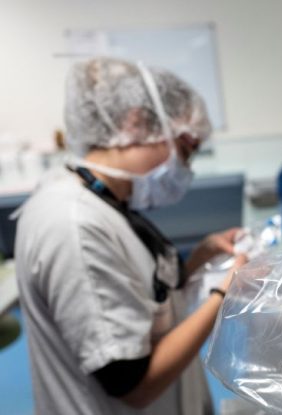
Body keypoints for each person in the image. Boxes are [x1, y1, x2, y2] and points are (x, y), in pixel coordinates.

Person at [15, 57, 244, 415]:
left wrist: (197, 259)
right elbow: (133, 384)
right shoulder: (74, 224)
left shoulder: (105, 201)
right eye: (184, 151)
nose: (185, 169)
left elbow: (136, 295)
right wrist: (224, 293)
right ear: (135, 122)